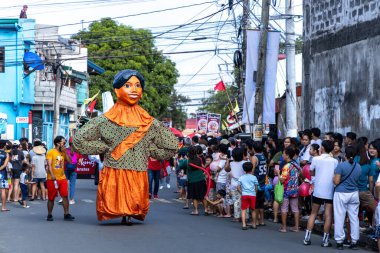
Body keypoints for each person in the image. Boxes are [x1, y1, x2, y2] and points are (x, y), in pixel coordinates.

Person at [72, 69, 178, 224]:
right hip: (115, 170)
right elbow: (78, 141)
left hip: (138, 171)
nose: (134, 89)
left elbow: (173, 145)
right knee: (117, 201)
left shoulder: (149, 122)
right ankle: (125, 215)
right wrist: (104, 147)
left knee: (133, 201)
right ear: (117, 90)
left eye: (138, 85)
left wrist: (150, 150)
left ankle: (127, 215)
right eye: (128, 85)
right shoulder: (105, 120)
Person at [303, 140, 338, 247]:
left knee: (313, 213)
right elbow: (336, 175)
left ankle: (307, 238)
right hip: (329, 190)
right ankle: (325, 241)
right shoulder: (334, 161)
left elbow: (311, 171)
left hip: (318, 189)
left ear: (322, 148)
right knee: (328, 215)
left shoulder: (315, 159)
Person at [333, 146, 361, 250]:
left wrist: (333, 177)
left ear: (345, 155)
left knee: (339, 217)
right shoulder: (358, 166)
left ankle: (339, 241)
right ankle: (354, 241)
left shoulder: (341, 166)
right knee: (354, 218)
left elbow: (336, 181)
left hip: (341, 193)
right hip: (354, 193)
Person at [46, 136, 74, 221]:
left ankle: (66, 213)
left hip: (62, 178)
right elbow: (49, 164)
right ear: (58, 143)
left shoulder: (63, 152)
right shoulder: (51, 152)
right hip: (52, 179)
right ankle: (49, 214)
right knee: (51, 198)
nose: (64, 144)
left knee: (65, 196)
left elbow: (70, 161)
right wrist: (52, 174)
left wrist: (65, 152)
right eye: (63, 142)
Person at [279, 147, 302, 233]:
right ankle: (296, 227)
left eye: (284, 154)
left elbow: (282, 179)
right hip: (295, 189)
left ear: (287, 155)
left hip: (286, 190)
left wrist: (278, 174)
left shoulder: (286, 166)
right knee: (295, 209)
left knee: (284, 209)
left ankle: (284, 227)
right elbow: (301, 173)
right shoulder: (296, 164)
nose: (282, 155)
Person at [248, 141, 267, 226]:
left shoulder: (254, 157)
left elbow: (252, 170)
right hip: (262, 181)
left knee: (255, 203)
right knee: (261, 203)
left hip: (256, 182)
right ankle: (262, 221)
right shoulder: (263, 156)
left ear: (253, 148)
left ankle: (254, 222)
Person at [225, 148, 245, 222]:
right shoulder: (245, 162)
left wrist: (227, 161)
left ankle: (237, 217)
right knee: (244, 201)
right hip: (243, 184)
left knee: (236, 201)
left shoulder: (231, 163)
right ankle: (245, 216)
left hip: (234, 184)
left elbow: (226, 169)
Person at [187, 146, 207, 216]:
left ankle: (196, 211)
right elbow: (203, 167)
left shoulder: (188, 161)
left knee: (194, 196)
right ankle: (206, 209)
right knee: (203, 195)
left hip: (192, 180)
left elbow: (182, 166)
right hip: (201, 178)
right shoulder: (199, 159)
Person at [238, 161, 258, 230]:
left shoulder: (241, 177)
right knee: (253, 209)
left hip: (244, 195)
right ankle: (254, 224)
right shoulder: (254, 177)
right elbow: (256, 186)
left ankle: (244, 224)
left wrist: (242, 192)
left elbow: (238, 187)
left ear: (244, 169)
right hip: (252, 195)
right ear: (252, 168)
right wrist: (255, 193)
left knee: (243, 210)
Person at [63, 137, 81, 205]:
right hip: (74, 169)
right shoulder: (77, 151)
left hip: (65, 169)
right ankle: (71, 199)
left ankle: (63, 198)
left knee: (64, 184)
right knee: (72, 185)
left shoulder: (65, 150)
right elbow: (79, 161)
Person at [0, 140, 10, 212]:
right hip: (2, 174)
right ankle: (3, 207)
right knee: (3, 190)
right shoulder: (6, 154)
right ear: (4, 146)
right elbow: (5, 165)